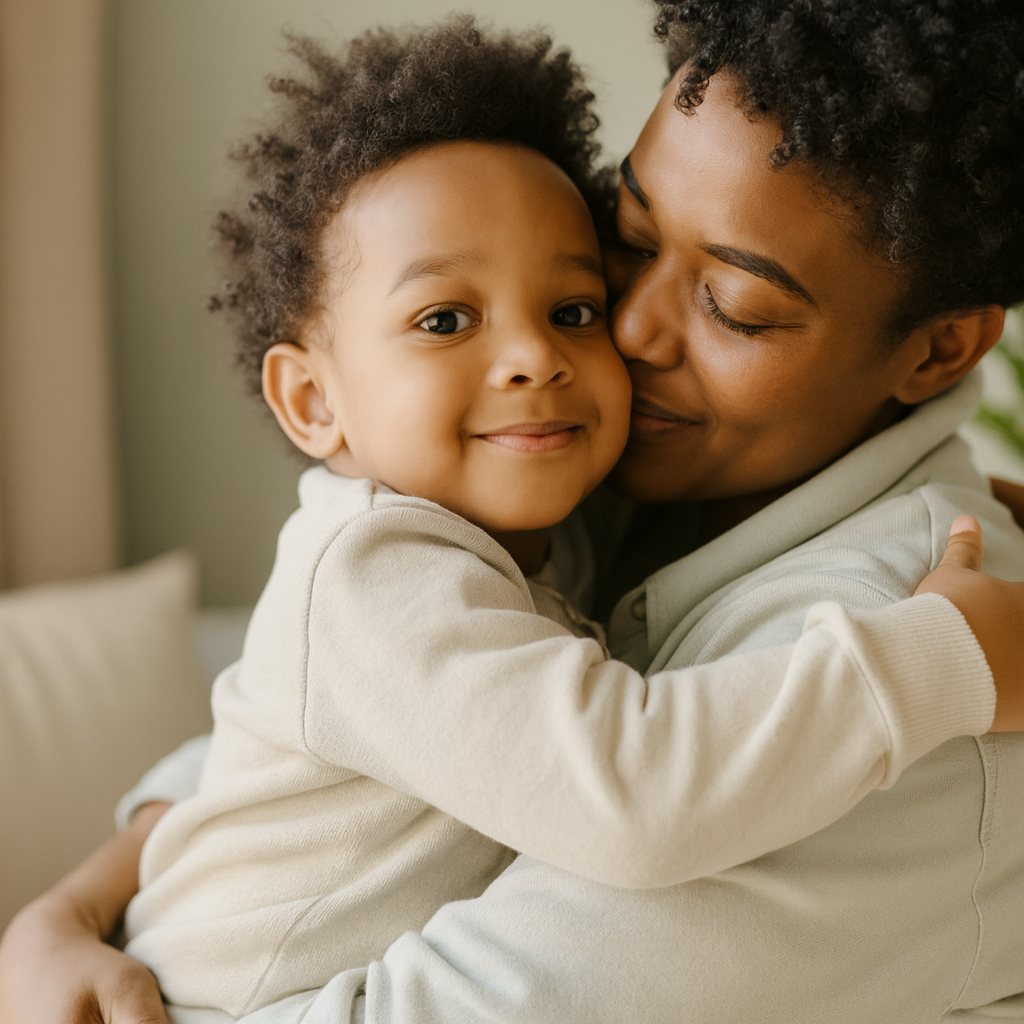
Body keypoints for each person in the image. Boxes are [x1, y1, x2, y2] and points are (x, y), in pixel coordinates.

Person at [3, 1, 1024, 1021]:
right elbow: (307, 736)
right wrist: (68, 909)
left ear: (938, 349)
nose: (621, 326)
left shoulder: (926, 689)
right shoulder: (595, 498)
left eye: (735, 306)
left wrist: (935, 657)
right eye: (625, 236)